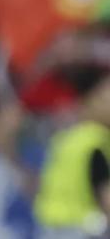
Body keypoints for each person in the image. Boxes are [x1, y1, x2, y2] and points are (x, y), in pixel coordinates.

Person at [34, 64, 110, 239]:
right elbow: (107, 197)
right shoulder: (96, 143)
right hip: (81, 229)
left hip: (49, 228)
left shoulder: (65, 139)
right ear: (91, 103)